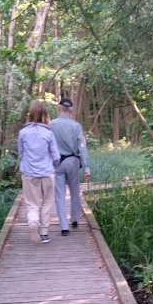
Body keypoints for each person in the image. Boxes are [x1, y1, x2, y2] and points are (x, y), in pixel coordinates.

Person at [17, 101, 60, 244]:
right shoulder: (48, 133)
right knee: (47, 204)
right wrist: (53, 167)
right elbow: (56, 156)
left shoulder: (23, 133)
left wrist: (28, 166)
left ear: (31, 114)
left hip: (29, 175)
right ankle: (44, 234)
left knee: (32, 204)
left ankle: (33, 222)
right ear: (45, 115)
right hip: (47, 174)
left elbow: (21, 154)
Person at [51, 97, 90, 236]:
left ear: (59, 108)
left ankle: (64, 227)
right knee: (75, 191)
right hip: (73, 161)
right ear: (71, 110)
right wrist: (86, 167)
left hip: (57, 163)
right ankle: (74, 219)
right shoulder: (76, 126)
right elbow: (82, 148)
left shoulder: (51, 124)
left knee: (59, 195)